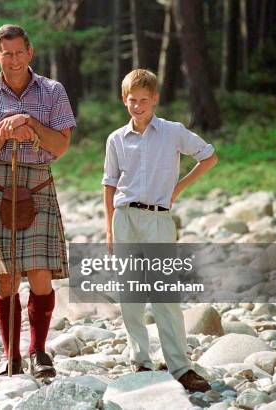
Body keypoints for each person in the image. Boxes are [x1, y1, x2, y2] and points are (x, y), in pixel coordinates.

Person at [0, 24, 76, 377]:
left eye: (18, 52)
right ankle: (10, 355)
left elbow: (59, 146)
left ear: (30, 53)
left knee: (41, 275)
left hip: (39, 184)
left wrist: (30, 123)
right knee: (6, 279)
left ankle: (38, 352)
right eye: (5, 53)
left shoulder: (53, 91)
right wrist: (2, 134)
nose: (13, 60)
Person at [102, 69, 218, 392]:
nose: (137, 106)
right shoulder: (116, 139)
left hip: (158, 219)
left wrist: (178, 189)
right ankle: (139, 361)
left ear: (155, 99)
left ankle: (181, 367)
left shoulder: (172, 132)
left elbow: (208, 157)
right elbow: (110, 184)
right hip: (124, 219)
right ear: (124, 100)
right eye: (131, 100)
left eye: (143, 100)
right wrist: (109, 228)